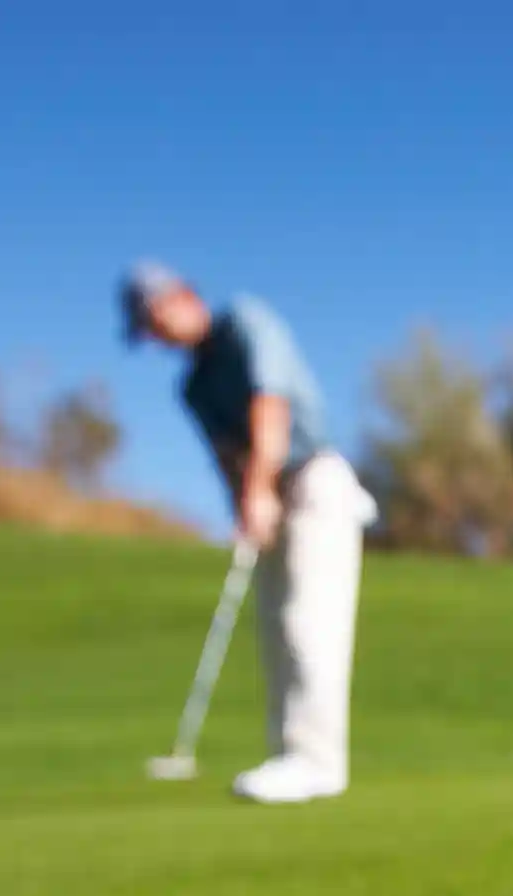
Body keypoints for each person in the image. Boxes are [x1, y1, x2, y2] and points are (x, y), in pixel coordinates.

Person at [120, 263, 376, 803]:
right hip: (267, 495)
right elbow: (225, 455)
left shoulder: (244, 323)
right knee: (276, 630)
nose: (157, 336)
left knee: (311, 623)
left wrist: (259, 489)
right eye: (147, 329)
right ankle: (289, 755)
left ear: (183, 296)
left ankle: (316, 763)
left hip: (314, 482)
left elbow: (271, 410)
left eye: (155, 318)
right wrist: (244, 503)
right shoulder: (192, 386)